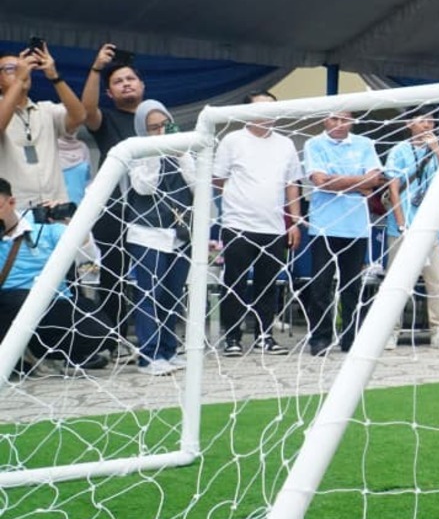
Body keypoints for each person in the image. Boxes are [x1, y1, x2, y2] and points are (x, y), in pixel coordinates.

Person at [212, 91, 304, 356]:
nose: (268, 114)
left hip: (274, 227)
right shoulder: (232, 140)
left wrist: (294, 222)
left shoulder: (286, 144)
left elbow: (292, 184)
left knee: (268, 284)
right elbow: (217, 179)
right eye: (262, 108)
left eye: (273, 108)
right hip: (237, 224)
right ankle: (232, 339)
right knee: (235, 283)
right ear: (247, 112)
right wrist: (238, 196)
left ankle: (265, 336)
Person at [0, 176, 112, 378]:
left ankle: (43, 353)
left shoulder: (45, 227)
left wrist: (75, 226)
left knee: (100, 329)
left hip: (53, 303)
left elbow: (89, 261)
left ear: (11, 202)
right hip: (8, 306)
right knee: (16, 299)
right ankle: (19, 356)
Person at [302, 110, 383, 356]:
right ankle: (320, 338)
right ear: (324, 120)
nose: (339, 124)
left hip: (356, 227)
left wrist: (338, 180)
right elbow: (320, 181)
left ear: (353, 121)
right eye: (334, 119)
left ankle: (351, 338)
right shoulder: (313, 143)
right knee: (320, 285)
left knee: (352, 287)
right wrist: (359, 182)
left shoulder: (365, 144)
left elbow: (375, 179)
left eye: (345, 119)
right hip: (323, 226)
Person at [81, 44, 146, 352]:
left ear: (142, 85)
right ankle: (112, 338)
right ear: (109, 93)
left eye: (130, 78)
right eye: (118, 82)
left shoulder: (156, 120)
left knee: (155, 274)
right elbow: (86, 111)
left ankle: (156, 337)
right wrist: (96, 69)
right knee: (114, 275)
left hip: (153, 210)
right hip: (115, 211)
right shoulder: (104, 119)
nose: (126, 84)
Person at [126, 101, 195, 375]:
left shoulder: (183, 150)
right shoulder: (135, 151)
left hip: (179, 234)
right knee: (148, 295)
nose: (161, 131)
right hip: (147, 233)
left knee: (173, 295)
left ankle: (168, 349)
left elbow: (198, 185)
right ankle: (148, 355)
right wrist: (155, 151)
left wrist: (182, 155)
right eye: (153, 128)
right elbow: (144, 187)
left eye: (165, 125)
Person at [383, 110, 439, 351]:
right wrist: (402, 223)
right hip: (401, 227)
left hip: (430, 228)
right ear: (408, 123)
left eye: (431, 120)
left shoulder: (437, 151)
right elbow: (393, 189)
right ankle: (390, 330)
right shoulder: (399, 151)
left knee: (435, 282)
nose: (427, 125)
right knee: (397, 282)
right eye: (422, 120)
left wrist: (437, 150)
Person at [0, 43, 87, 210]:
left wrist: (55, 76)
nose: (21, 71)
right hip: (13, 212)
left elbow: (79, 116)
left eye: (23, 67)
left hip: (54, 207)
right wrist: (19, 79)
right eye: (11, 69)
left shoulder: (46, 109)